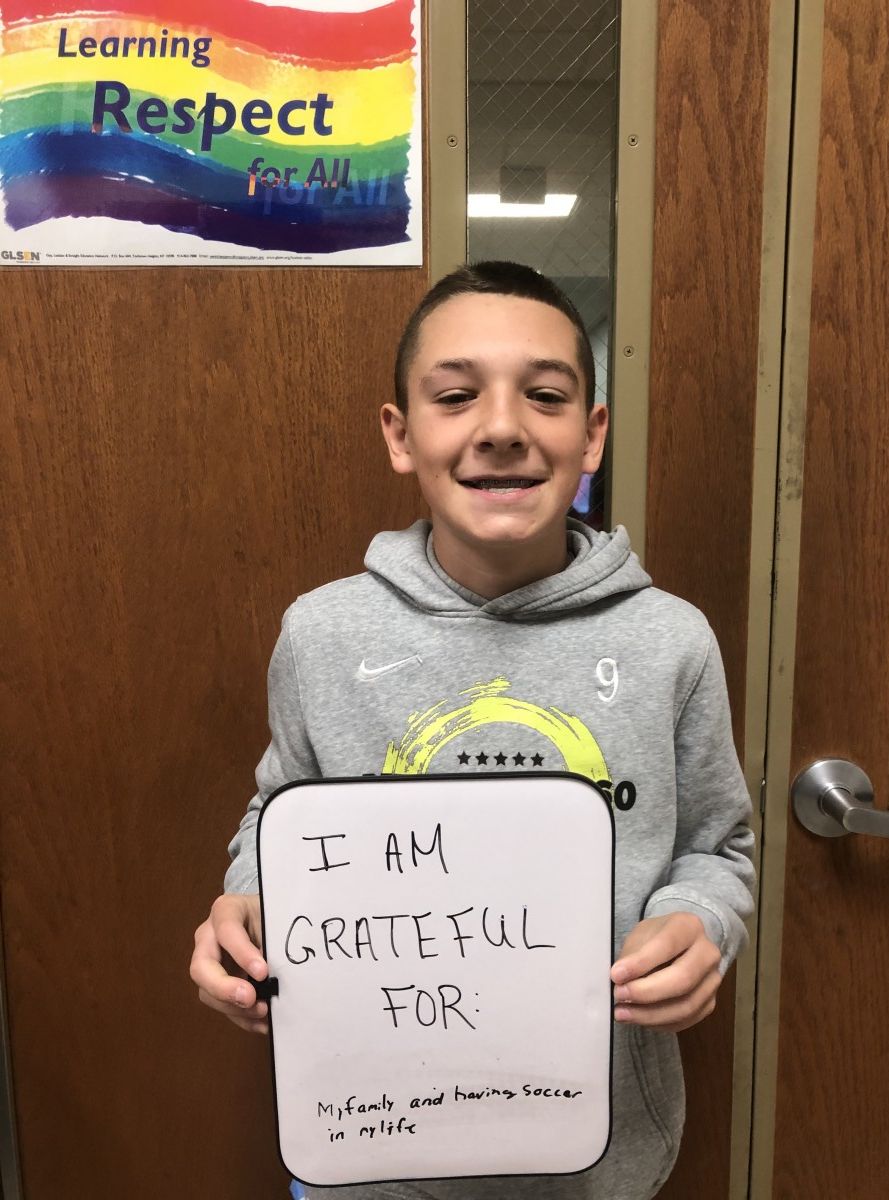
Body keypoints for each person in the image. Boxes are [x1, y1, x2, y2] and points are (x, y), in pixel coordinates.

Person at [190, 261, 756, 1200]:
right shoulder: (322, 635)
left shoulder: (670, 642)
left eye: (545, 395)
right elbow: (275, 813)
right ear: (401, 435)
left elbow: (717, 844)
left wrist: (704, 921)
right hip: (368, 1149)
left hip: (599, 1158)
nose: (502, 427)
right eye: (456, 396)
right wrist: (245, 904)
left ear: (592, 434)